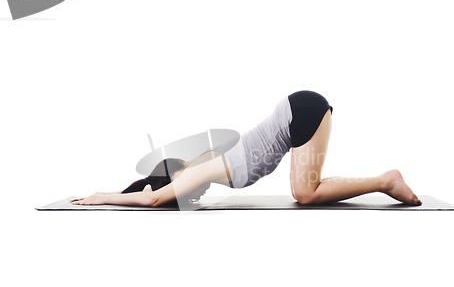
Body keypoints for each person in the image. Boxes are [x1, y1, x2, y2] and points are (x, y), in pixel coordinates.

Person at [72, 90, 422, 207]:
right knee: (310, 185)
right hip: (299, 111)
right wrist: (135, 187)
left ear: (173, 177)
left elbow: (151, 197)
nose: (181, 195)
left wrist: (106, 194)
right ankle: (383, 180)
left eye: (174, 191)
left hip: (300, 112)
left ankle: (385, 181)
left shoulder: (195, 168)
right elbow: (154, 192)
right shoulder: (205, 165)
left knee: (304, 192)